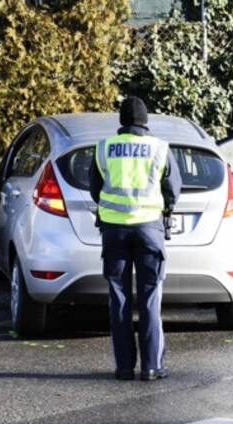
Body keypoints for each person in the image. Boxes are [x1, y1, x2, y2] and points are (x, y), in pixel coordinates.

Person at [89, 97, 182, 381]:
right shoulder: (159, 148)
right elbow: (174, 189)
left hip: (113, 231)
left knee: (118, 298)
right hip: (149, 230)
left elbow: (95, 188)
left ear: (122, 121)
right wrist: (164, 210)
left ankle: (125, 367)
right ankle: (152, 366)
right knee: (150, 297)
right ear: (145, 121)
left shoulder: (104, 148)